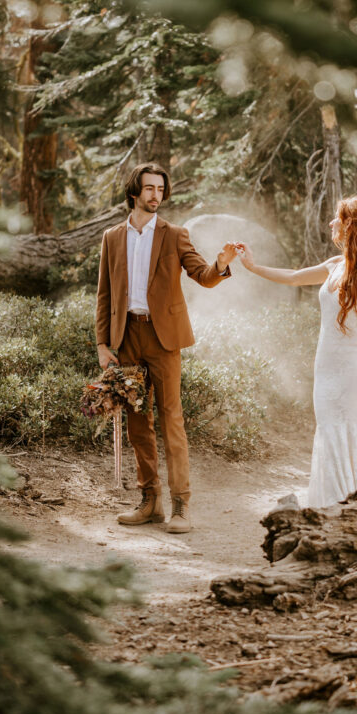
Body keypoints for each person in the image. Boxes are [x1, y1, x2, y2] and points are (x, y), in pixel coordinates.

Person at [236, 196, 357, 507]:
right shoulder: (334, 264)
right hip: (326, 368)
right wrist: (252, 266)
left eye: (336, 218)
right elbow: (293, 277)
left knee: (356, 434)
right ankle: (334, 506)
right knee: (330, 432)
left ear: (349, 224)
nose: (331, 223)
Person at [96, 162, 237, 533]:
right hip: (127, 339)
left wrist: (220, 265)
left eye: (160, 189)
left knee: (171, 420)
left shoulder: (175, 234)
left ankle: (181, 506)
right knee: (138, 425)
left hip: (164, 340)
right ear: (134, 193)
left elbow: (201, 275)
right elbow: (104, 295)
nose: (156, 195)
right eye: (150, 188)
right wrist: (101, 343)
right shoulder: (112, 237)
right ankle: (149, 502)